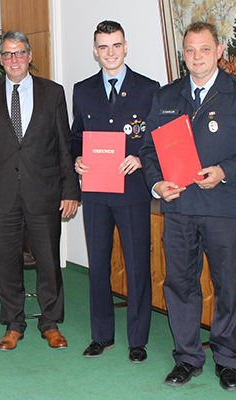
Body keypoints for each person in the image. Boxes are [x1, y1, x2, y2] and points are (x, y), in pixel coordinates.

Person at [139, 22, 236, 390]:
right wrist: (156, 183)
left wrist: (224, 171)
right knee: (180, 284)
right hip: (179, 208)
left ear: (218, 51)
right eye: (189, 50)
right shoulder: (167, 96)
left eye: (204, 49)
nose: (196, 57)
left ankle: (227, 359)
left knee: (227, 285)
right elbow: (149, 149)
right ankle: (187, 358)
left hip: (224, 209)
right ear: (183, 55)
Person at [0, 30, 80, 351]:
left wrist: (70, 190)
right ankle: (13, 323)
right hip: (1, 193)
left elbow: (63, 145)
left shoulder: (53, 93)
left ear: (30, 56)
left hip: (43, 191)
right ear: (0, 59)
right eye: (7, 54)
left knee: (48, 260)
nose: (13, 60)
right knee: (8, 262)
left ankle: (50, 322)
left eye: (19, 53)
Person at [68, 20, 159, 363]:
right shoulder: (82, 89)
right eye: (103, 47)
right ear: (95, 51)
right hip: (95, 192)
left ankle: (137, 339)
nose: (110, 52)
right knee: (98, 267)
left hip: (132, 191)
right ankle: (101, 335)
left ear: (125, 47)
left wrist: (140, 157)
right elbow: (77, 133)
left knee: (137, 266)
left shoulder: (149, 89)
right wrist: (76, 156)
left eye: (116, 45)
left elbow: (155, 139)